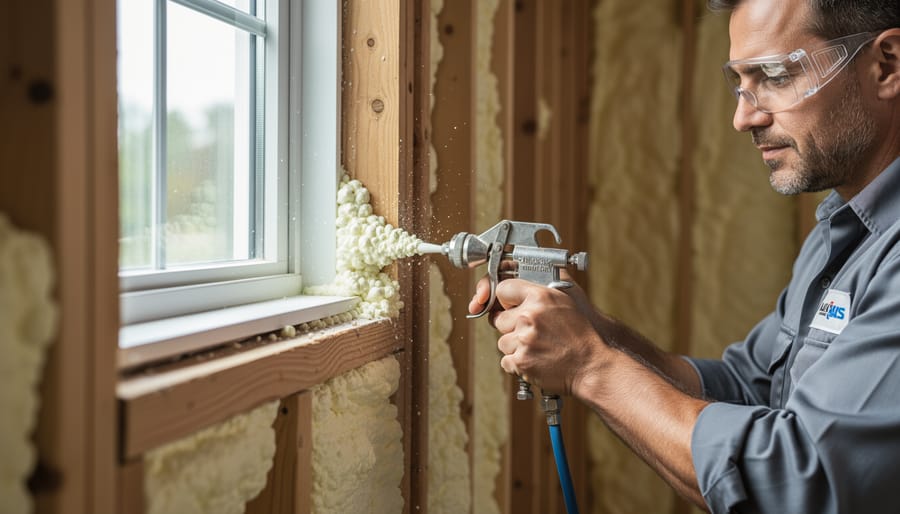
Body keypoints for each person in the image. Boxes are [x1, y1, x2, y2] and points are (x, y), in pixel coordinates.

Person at [469, 0, 900, 512]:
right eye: (741, 83)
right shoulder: (845, 231)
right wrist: (594, 331)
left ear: (887, 65)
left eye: (775, 75)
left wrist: (589, 365)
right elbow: (749, 388)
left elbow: (795, 483)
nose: (744, 117)